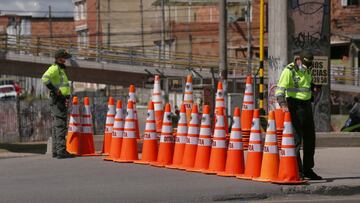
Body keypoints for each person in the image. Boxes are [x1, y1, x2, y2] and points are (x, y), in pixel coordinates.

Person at [275, 50, 322, 180]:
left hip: (306, 105)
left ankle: (308, 169)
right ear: (298, 60)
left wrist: (314, 87)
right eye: (306, 64)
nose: (307, 67)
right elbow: (280, 90)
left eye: (309, 65)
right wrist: (283, 104)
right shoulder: (289, 71)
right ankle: (298, 170)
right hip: (293, 106)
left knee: (310, 139)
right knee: (296, 140)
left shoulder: (307, 69)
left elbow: (306, 85)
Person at [42, 49, 74, 159]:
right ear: (59, 58)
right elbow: (44, 78)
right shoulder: (54, 68)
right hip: (57, 100)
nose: (66, 60)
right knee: (60, 125)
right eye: (64, 58)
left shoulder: (60, 70)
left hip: (60, 99)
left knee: (57, 125)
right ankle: (61, 151)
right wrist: (55, 90)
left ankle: (56, 151)